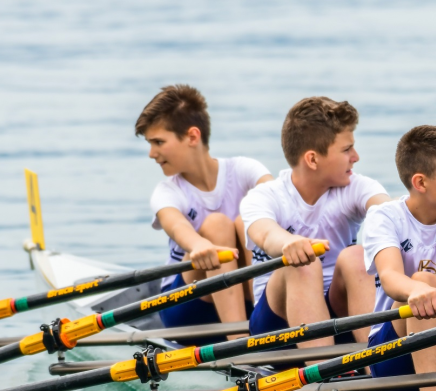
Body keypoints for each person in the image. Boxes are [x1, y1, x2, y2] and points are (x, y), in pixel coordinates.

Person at [239, 97, 389, 346]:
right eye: (346, 150)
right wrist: (289, 243)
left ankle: (375, 361)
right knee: (303, 264)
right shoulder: (265, 196)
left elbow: (387, 211)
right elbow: (265, 233)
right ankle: (321, 367)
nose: (356, 157)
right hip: (276, 326)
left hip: (337, 310)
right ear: (312, 159)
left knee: (356, 256)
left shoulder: (357, 187)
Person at [137, 85, 272, 339]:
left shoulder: (245, 170)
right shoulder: (167, 192)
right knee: (217, 225)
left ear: (192, 136)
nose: (152, 153)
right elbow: (176, 225)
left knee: (247, 222)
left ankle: (264, 328)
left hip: (246, 297)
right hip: (186, 307)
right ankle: (240, 343)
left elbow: (282, 200)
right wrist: (198, 245)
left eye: (158, 142)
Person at [361, 126, 436, 391]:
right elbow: (390, 276)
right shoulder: (386, 217)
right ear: (421, 183)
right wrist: (417, 290)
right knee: (425, 282)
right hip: (393, 358)